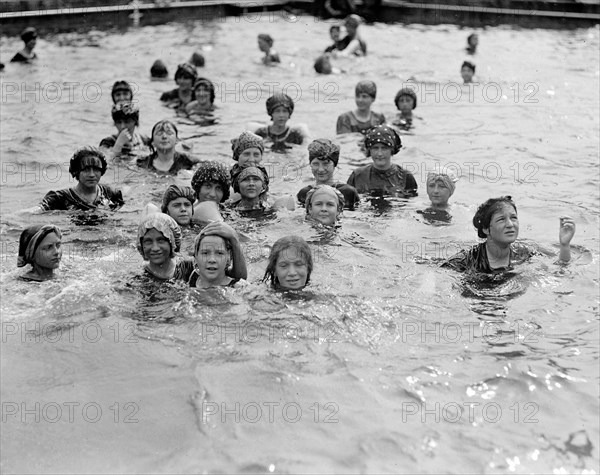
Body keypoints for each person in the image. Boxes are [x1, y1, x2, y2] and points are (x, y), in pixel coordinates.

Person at [442, 196, 576, 274]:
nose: (510, 224)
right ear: (486, 229)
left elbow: (560, 269)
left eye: (513, 218)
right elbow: (437, 274)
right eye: (501, 219)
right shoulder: (466, 260)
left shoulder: (524, 254)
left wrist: (564, 246)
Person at [39, 147, 124, 211]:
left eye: (96, 169)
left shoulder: (112, 195)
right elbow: (37, 211)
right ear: (76, 171)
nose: (92, 175)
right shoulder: (59, 198)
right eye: (86, 169)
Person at [347, 125, 417, 197]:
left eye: (384, 148)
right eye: (375, 148)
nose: (379, 154)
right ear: (369, 150)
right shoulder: (357, 176)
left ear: (392, 150)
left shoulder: (406, 177)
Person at [297, 138, 360, 210]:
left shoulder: (348, 192)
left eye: (326, 164)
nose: (320, 169)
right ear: (310, 164)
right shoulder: (304, 193)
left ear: (334, 165)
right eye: (315, 164)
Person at [137, 213, 193, 281]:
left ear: (172, 243)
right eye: (148, 241)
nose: (155, 248)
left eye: (161, 240)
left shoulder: (190, 268)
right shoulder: (139, 278)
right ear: (141, 246)